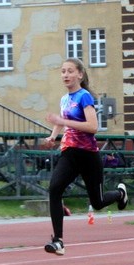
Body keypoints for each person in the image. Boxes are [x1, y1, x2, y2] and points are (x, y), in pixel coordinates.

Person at [41, 58, 128, 255]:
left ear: (80, 74)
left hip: (88, 156)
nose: (65, 75)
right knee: (54, 189)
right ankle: (58, 241)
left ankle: (120, 194)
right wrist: (52, 137)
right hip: (69, 153)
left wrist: (63, 121)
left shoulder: (84, 96)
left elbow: (92, 127)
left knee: (97, 202)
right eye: (63, 71)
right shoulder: (64, 99)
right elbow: (61, 122)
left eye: (70, 71)